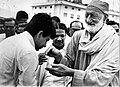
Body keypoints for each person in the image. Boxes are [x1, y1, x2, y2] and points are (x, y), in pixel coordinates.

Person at [45, 0, 119, 87]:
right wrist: (59, 57)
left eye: (93, 15)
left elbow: (103, 76)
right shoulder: (78, 36)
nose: (88, 19)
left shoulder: (114, 41)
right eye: (87, 15)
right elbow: (69, 65)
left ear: (105, 18)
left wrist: (72, 73)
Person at [0, 13, 56, 86]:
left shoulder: (8, 41)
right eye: (46, 40)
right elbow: (27, 85)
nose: (45, 45)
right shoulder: (28, 50)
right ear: (40, 34)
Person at [37, 23, 68, 87]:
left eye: (62, 36)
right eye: (56, 36)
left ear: (66, 36)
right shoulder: (42, 50)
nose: (59, 39)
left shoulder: (70, 53)